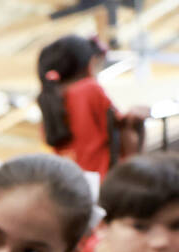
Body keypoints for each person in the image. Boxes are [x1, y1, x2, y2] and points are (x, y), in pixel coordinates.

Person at [36, 34, 147, 178]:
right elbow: (124, 135)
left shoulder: (50, 100)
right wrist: (136, 118)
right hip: (103, 183)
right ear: (91, 64)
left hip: (74, 186)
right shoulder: (88, 89)